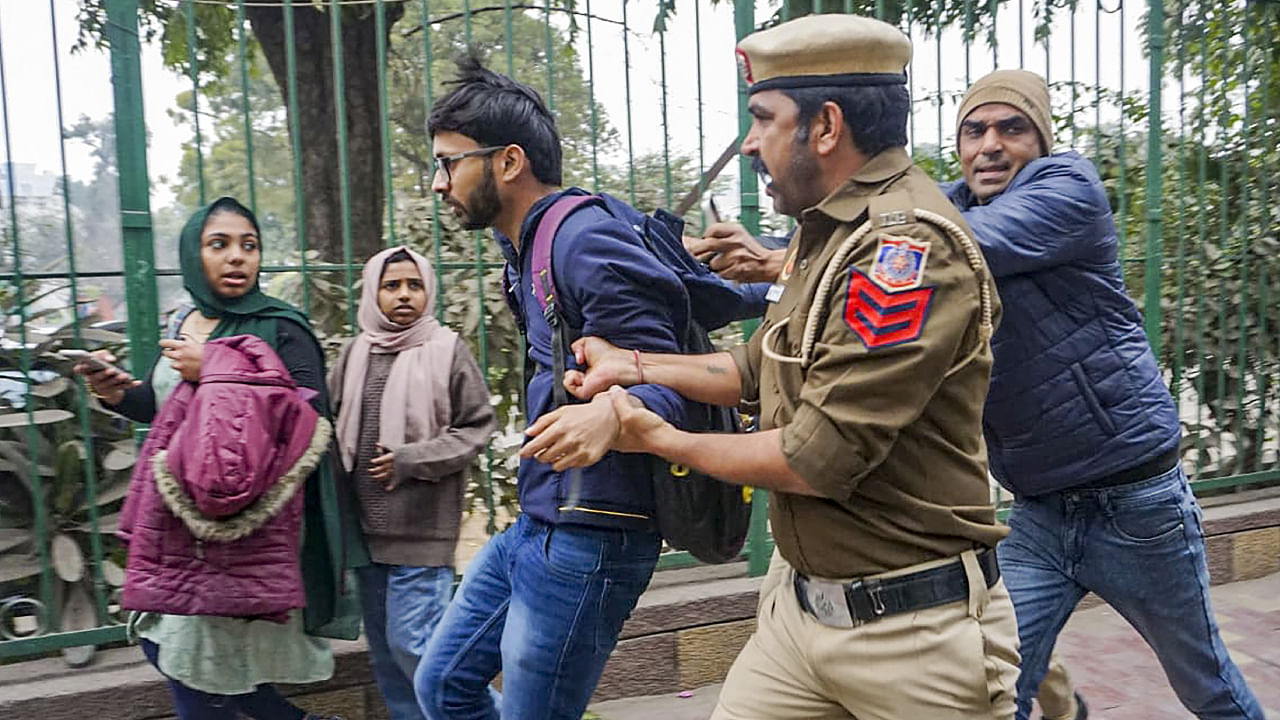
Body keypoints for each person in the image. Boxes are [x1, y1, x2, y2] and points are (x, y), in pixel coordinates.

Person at [523, 15, 1020, 719]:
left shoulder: (902, 255)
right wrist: (632, 365)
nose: (752, 142)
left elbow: (818, 456)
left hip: (912, 636)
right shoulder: (828, 232)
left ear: (826, 126)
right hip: (798, 615)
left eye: (763, 119)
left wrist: (655, 438)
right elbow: (756, 370)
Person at [942, 69, 1264, 720]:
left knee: (1208, 687)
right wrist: (751, 265)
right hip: (1037, 514)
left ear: (1042, 139)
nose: (991, 145)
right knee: (991, 693)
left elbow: (952, 247)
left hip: (1135, 505)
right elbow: (858, 267)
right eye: (975, 130)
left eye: (1013, 127)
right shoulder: (941, 216)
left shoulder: (1066, 188)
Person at [412, 57, 689, 720]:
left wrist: (615, 413)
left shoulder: (582, 241)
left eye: (449, 163)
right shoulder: (529, 248)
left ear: (508, 162)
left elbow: (671, 377)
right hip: (541, 521)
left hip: (596, 534)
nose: (437, 184)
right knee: (442, 686)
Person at [75, 197, 355, 720]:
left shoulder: (280, 327)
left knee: (194, 670)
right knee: (177, 653)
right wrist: (118, 394)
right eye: (218, 244)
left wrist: (218, 368)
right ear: (191, 254)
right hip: (178, 528)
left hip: (240, 529)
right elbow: (173, 411)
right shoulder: (186, 321)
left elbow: (309, 418)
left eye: (248, 246)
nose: (236, 258)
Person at [328, 246, 495, 720]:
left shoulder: (446, 351)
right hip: (364, 537)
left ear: (428, 290)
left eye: (414, 285)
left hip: (421, 532)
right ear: (372, 293)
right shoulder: (354, 353)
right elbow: (330, 423)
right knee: (388, 661)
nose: (404, 295)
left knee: (419, 649)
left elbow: (477, 427)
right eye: (391, 285)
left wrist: (412, 459)